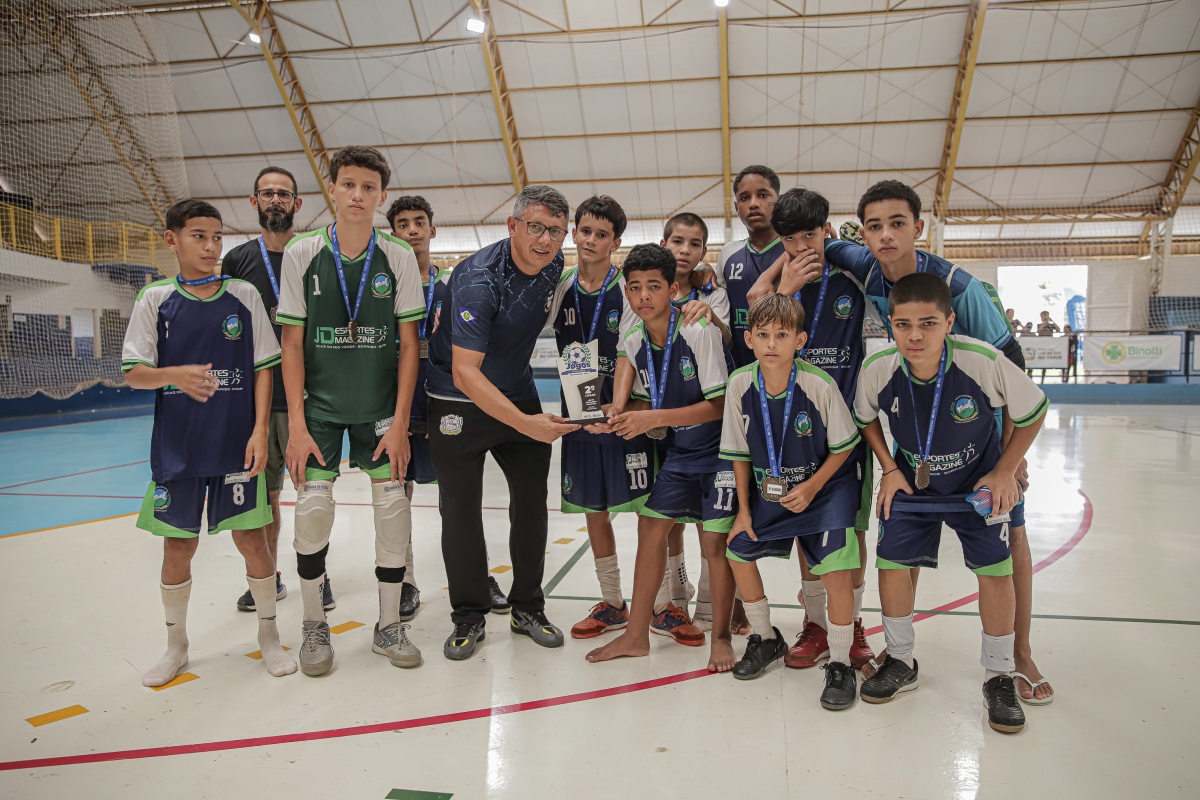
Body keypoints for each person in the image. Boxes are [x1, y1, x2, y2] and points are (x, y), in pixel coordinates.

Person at [757, 180, 1054, 702]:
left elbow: (1012, 368)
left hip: (982, 437)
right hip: (917, 440)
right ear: (860, 232)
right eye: (875, 226)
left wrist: (1011, 460)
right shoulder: (859, 259)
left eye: (898, 224)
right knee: (901, 546)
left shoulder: (961, 289)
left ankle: (1019, 654)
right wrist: (761, 280)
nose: (886, 236)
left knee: (1011, 536)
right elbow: (804, 244)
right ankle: (899, 655)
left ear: (918, 227)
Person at [854, 273, 1048, 733]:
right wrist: (890, 468)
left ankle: (999, 674)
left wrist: (1005, 470)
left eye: (928, 323)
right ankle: (900, 660)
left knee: (995, 571)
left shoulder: (982, 360)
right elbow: (865, 418)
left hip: (976, 486)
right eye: (903, 324)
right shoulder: (878, 366)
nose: (915, 335)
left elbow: (1033, 408)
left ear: (949, 321)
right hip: (912, 485)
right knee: (892, 563)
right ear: (890, 325)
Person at [123, 199, 293, 686]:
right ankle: (175, 647)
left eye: (217, 236)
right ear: (171, 240)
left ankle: (269, 638)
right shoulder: (155, 298)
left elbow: (264, 368)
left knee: (252, 541)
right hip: (178, 447)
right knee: (179, 546)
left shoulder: (243, 294)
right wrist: (173, 374)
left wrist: (260, 430)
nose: (211, 246)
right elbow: (133, 372)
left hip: (235, 444)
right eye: (199, 236)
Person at [277, 146, 427, 675]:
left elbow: (409, 345)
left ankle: (389, 625)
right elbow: (291, 344)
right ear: (332, 190)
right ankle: (313, 624)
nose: (358, 195)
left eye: (368, 187)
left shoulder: (397, 255)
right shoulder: (301, 252)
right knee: (312, 513)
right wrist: (296, 426)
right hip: (318, 410)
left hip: (381, 409)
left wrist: (402, 423)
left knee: (393, 513)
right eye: (348, 184)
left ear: (381, 196)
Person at [425, 184, 579, 661]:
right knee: (460, 510)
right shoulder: (478, 280)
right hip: (456, 399)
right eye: (535, 227)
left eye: (556, 231)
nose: (545, 240)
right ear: (512, 225)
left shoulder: (553, 263)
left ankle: (527, 607)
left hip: (515, 389)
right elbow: (465, 372)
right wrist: (528, 424)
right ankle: (468, 614)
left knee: (532, 505)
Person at [585, 243, 737, 673]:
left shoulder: (697, 329)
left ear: (673, 289)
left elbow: (720, 406)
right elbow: (632, 394)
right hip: (681, 453)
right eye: (635, 287)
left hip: (722, 452)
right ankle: (635, 636)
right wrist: (615, 415)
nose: (644, 296)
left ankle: (721, 637)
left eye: (654, 286)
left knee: (714, 543)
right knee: (650, 530)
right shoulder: (634, 339)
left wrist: (651, 417)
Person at [753, 187, 876, 670]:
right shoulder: (779, 286)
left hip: (847, 429)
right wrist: (782, 290)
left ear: (827, 229)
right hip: (794, 428)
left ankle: (854, 622)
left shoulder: (855, 276)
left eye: (810, 235)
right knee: (808, 528)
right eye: (790, 239)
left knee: (851, 530)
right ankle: (816, 623)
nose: (802, 247)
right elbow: (759, 335)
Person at [721, 294, 863, 709]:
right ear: (749, 339)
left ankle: (840, 662)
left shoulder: (819, 384)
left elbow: (843, 447)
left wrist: (814, 487)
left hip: (826, 489)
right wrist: (743, 511)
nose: (771, 343)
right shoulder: (739, 384)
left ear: (799, 340)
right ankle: (765, 637)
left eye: (782, 335)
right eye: (763, 334)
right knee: (738, 550)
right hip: (773, 491)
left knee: (835, 571)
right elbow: (739, 453)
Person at [221, 166, 334, 614]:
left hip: (310, 396)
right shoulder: (237, 260)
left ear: (296, 204)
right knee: (265, 497)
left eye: (283, 194)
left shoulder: (314, 253)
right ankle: (268, 577)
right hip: (259, 400)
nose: (275, 200)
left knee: (313, 496)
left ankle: (317, 577)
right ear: (254, 202)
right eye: (267, 193)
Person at [546, 195, 646, 639]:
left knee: (649, 510)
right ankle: (613, 602)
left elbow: (627, 352)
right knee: (594, 509)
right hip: (578, 415)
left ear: (615, 242)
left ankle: (663, 602)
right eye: (585, 231)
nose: (590, 240)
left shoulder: (627, 289)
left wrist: (619, 407)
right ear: (573, 233)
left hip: (624, 414)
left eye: (601, 234)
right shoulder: (560, 286)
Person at [660, 212, 745, 634]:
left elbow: (727, 338)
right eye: (677, 241)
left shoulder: (712, 292)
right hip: (663, 421)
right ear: (663, 244)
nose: (685, 250)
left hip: (708, 421)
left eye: (694, 244)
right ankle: (674, 594)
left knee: (709, 517)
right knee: (667, 516)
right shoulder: (645, 287)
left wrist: (709, 313)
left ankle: (713, 604)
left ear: (703, 252)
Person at [715, 166, 786, 369]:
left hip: (788, 366)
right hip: (740, 370)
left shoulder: (794, 248)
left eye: (763, 195)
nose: (753, 204)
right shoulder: (728, 253)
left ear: (779, 201)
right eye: (745, 198)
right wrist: (702, 270)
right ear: (737, 208)